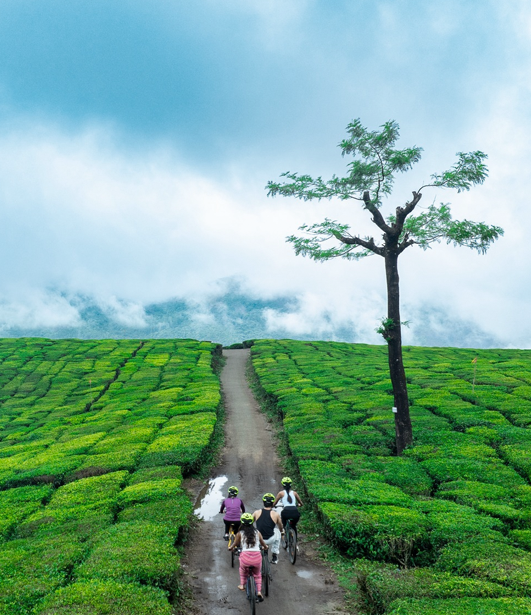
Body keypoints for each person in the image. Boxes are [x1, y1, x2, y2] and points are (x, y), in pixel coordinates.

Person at [229, 512, 268, 601]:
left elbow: (235, 543)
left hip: (245, 558)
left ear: (242, 523)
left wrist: (231, 547)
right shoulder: (257, 532)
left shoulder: (239, 533)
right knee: (257, 575)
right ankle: (258, 592)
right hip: (257, 558)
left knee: (242, 570)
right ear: (252, 523)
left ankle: (242, 584)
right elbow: (263, 543)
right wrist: (265, 547)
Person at [253, 493, 284, 564]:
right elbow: (280, 526)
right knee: (278, 532)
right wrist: (282, 532)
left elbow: (249, 523)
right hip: (270, 539)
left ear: (263, 502)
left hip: (258, 539)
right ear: (272, 503)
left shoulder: (256, 512)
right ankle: (274, 556)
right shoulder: (276, 514)